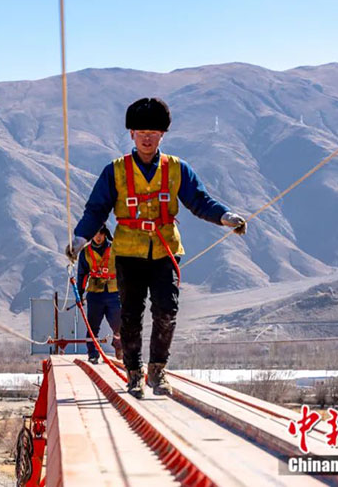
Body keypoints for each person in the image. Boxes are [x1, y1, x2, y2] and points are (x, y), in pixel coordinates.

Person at [66, 97, 246, 398]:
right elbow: (96, 210)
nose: (147, 136)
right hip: (128, 253)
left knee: (166, 311)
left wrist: (225, 216)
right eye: (141, 131)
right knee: (130, 315)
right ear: (132, 134)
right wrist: (80, 239)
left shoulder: (177, 169)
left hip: (165, 250)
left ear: (162, 134)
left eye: (153, 131)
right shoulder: (116, 171)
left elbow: (199, 201)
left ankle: (158, 371)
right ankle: (134, 374)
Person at [76, 224, 122, 364]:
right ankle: (93, 353)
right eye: (96, 234)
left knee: (119, 324)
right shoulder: (86, 252)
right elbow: (82, 275)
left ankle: (119, 345)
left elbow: (124, 269)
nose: (98, 237)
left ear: (105, 234)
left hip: (114, 292)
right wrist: (80, 293)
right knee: (93, 325)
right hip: (95, 293)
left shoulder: (116, 248)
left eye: (101, 234)